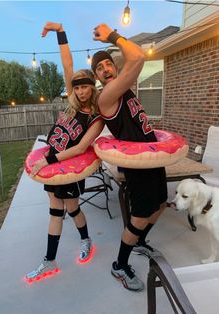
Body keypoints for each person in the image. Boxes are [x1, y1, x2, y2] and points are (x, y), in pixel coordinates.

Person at [25, 22, 104, 281]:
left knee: (72, 209)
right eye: (77, 86)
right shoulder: (71, 98)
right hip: (51, 163)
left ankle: (87, 241)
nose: (80, 91)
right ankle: (49, 261)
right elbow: (67, 63)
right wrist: (60, 31)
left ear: (92, 87)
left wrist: (47, 159)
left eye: (85, 86)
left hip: (67, 167)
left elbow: (81, 147)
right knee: (55, 210)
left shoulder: (94, 116)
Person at [91, 24, 167, 291]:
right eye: (100, 69)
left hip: (153, 158)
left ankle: (140, 243)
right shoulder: (107, 96)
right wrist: (112, 35)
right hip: (137, 165)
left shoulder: (125, 90)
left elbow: (133, 58)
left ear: (114, 65)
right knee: (138, 216)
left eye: (108, 64)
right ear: (98, 78)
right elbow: (137, 57)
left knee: (159, 204)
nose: (106, 70)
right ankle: (120, 266)